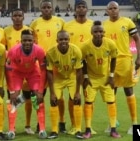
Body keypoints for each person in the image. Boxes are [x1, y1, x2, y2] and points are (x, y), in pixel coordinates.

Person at [103, 1, 140, 135]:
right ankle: (113, 123)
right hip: (110, 62)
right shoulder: (104, 25)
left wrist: (139, 57)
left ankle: (134, 123)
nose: (113, 11)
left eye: (115, 8)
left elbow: (137, 39)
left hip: (125, 60)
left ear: (118, 10)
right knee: (111, 92)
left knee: (128, 90)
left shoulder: (127, 22)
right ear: (107, 11)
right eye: (111, 9)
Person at [30, 0, 66, 133]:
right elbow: (32, 42)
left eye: (48, 7)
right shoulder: (35, 23)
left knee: (59, 95)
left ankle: (62, 122)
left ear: (52, 8)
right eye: (44, 7)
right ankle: (40, 123)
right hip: (41, 63)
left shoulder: (60, 22)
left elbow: (64, 39)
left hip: (57, 62)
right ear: (40, 9)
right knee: (40, 94)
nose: (46, 9)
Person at [80, 20, 121, 139]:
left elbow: (113, 59)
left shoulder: (110, 44)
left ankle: (113, 129)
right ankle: (87, 130)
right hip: (91, 79)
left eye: (100, 31)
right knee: (88, 102)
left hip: (105, 78)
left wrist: (112, 76)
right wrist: (86, 77)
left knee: (111, 102)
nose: (98, 33)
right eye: (96, 31)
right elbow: (82, 61)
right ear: (91, 32)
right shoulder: (85, 46)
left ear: (104, 32)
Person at [5, 29, 47, 140]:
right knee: (13, 99)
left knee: (38, 99)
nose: (27, 43)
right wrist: (12, 91)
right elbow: (8, 70)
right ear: (21, 41)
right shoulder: (13, 51)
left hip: (33, 73)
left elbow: (43, 70)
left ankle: (42, 129)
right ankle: (11, 130)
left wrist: (40, 91)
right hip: (17, 73)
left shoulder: (39, 50)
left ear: (33, 40)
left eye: (29, 40)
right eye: (24, 40)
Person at [63, 0, 94, 135]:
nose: (81, 9)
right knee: (73, 97)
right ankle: (74, 124)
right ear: (74, 10)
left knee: (88, 97)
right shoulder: (67, 25)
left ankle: (88, 126)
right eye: (78, 7)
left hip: (90, 66)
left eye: (83, 7)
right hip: (72, 67)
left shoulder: (92, 24)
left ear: (87, 9)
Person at [46, 30, 83, 139]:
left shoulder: (76, 50)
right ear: (57, 40)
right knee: (53, 101)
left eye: (65, 39)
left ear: (69, 40)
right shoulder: (51, 52)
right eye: (61, 39)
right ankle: (54, 131)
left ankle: (78, 129)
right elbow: (49, 72)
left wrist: (77, 92)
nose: (63, 41)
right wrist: (52, 93)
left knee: (77, 100)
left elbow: (79, 71)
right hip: (58, 79)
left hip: (72, 78)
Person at [3, 8, 35, 135]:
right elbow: (4, 49)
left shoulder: (29, 31)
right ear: (11, 17)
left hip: (28, 69)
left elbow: (34, 47)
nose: (17, 17)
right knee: (11, 99)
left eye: (19, 15)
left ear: (23, 17)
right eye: (14, 15)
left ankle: (27, 126)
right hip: (13, 71)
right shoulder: (6, 31)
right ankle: (12, 127)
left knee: (28, 98)